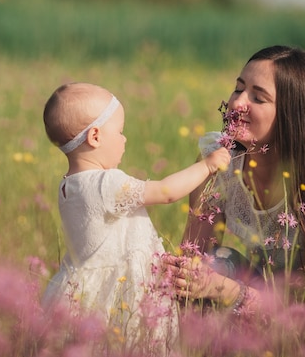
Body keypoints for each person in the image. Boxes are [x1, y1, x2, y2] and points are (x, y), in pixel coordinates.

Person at [166, 45, 305, 315]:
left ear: (292, 116)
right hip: (253, 294)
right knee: (214, 263)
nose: (237, 103)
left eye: (258, 98)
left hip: (304, 313)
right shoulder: (216, 164)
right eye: (238, 88)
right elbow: (194, 257)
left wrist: (227, 290)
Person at [41, 82, 231, 352]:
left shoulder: (68, 186)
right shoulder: (104, 183)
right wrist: (208, 165)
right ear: (95, 137)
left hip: (83, 294)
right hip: (120, 297)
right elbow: (165, 191)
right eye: (119, 132)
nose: (124, 139)